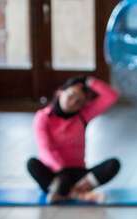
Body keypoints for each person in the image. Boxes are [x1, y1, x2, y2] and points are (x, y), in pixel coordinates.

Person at [27, 76, 120, 204]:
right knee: (32, 164)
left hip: (78, 173)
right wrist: (61, 171)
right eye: (71, 96)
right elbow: (45, 148)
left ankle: (65, 193)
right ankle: (79, 194)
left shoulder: (83, 116)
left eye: (79, 101)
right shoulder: (43, 117)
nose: (72, 102)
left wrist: (88, 81)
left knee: (113, 164)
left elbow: (111, 96)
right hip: (55, 173)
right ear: (60, 92)